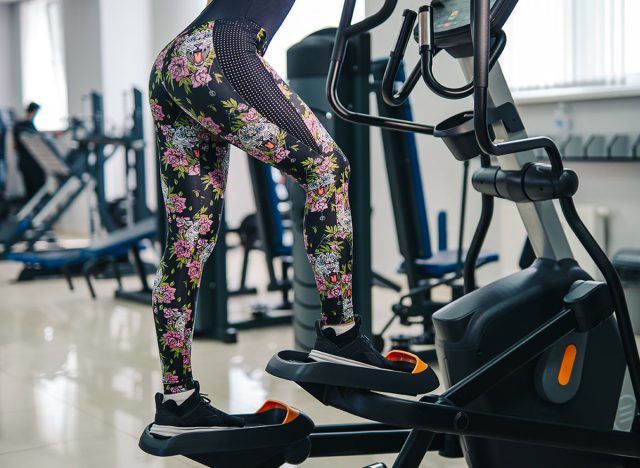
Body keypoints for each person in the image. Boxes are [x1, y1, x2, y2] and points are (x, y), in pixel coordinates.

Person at [148, 0, 418, 436]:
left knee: (188, 239)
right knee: (329, 170)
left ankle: (177, 401)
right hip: (220, 49)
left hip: (172, 64)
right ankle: (340, 335)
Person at [13, 102, 45, 203]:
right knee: (34, 191)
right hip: (29, 163)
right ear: (34, 111)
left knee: (32, 191)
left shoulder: (21, 125)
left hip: (25, 162)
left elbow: (14, 146)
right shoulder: (24, 126)